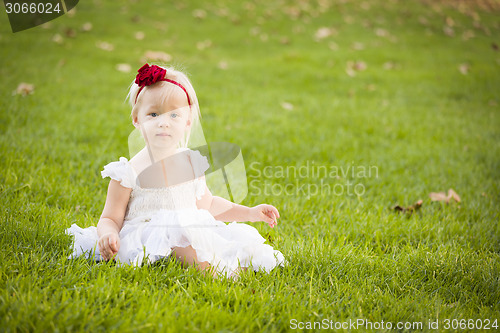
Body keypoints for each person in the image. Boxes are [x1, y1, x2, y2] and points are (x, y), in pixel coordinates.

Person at [66, 63, 285, 279]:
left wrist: (249, 213)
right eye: (153, 115)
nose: (164, 123)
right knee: (178, 232)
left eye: (174, 116)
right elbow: (110, 217)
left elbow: (208, 205)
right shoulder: (127, 172)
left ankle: (233, 264)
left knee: (219, 240)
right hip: (149, 235)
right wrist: (108, 234)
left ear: (187, 121)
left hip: (188, 231)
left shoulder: (191, 162)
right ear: (136, 119)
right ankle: (218, 272)